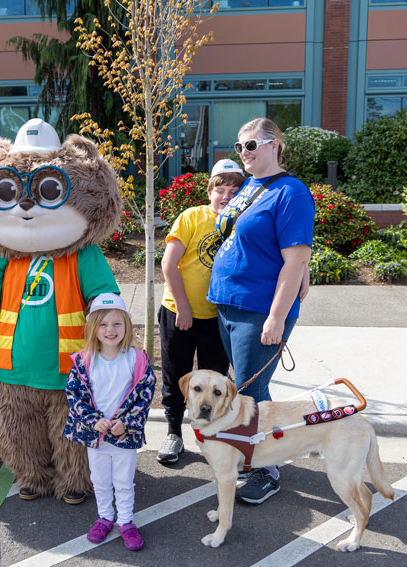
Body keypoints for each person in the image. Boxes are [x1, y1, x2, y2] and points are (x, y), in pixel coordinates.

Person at [208, 117, 315, 505]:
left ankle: (265, 470)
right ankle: (252, 453)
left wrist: (276, 317)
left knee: (251, 392)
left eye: (251, 145)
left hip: (258, 309)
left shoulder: (292, 192)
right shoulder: (249, 187)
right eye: (240, 147)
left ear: (274, 145)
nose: (244, 153)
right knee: (245, 387)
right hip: (228, 304)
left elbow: (295, 259)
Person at [156, 159, 243, 465]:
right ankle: (173, 433)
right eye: (220, 190)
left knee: (215, 380)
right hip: (178, 312)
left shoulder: (243, 224)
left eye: (234, 191)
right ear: (209, 192)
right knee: (176, 375)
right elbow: (169, 264)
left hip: (217, 317)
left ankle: (211, 436)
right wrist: (183, 308)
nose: (226, 197)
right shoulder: (192, 217)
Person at [63, 293, 156, 551]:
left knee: (124, 482)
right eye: (103, 324)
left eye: (117, 323)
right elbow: (74, 395)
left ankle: (125, 521)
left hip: (124, 435)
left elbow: (145, 395)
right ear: (93, 328)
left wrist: (127, 422)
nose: (110, 330)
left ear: (127, 325)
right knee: (100, 480)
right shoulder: (84, 361)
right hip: (98, 436)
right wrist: (93, 420)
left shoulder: (136, 360)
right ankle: (105, 517)